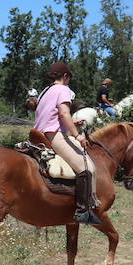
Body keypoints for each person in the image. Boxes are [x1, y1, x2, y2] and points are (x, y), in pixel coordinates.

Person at [33, 61, 100, 224]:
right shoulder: (64, 89)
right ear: (65, 76)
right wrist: (78, 136)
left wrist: (71, 124)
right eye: (69, 77)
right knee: (87, 168)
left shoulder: (44, 91)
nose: (69, 80)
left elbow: (51, 115)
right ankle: (83, 210)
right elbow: (63, 113)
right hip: (53, 135)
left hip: (37, 134)